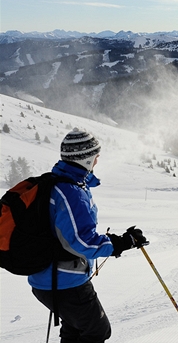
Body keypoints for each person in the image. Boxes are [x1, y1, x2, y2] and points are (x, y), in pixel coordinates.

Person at [28, 128, 147, 343]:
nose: (97, 162)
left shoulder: (56, 183)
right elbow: (82, 242)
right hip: (66, 282)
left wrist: (118, 242)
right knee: (97, 331)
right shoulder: (70, 192)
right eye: (95, 157)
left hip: (48, 279)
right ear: (86, 159)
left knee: (75, 329)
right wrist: (123, 243)